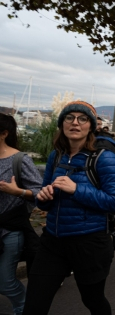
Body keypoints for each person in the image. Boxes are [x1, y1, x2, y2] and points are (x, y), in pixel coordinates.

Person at [23, 101, 115, 315]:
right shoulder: (56, 155)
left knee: (93, 300)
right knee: (34, 305)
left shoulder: (103, 157)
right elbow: (45, 199)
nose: (75, 123)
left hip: (89, 243)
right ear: (62, 124)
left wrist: (76, 189)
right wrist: (43, 197)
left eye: (82, 118)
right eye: (69, 118)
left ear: (91, 126)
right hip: (53, 241)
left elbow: (114, 202)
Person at [0, 114, 43, 315]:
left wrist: (16, 191)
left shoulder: (20, 159)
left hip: (10, 229)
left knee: (5, 282)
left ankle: (25, 308)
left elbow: (40, 193)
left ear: (4, 133)